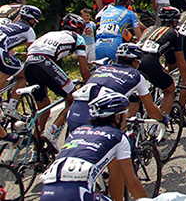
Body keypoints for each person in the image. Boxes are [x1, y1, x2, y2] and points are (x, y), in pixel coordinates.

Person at [39, 92, 149, 201]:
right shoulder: (118, 137)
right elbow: (131, 182)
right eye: (125, 115)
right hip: (77, 192)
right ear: (117, 117)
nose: (126, 119)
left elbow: (116, 170)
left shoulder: (78, 131)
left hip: (47, 191)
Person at [65, 43, 166, 135]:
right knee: (117, 146)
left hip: (75, 114)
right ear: (135, 63)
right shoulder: (137, 76)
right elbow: (151, 110)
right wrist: (162, 118)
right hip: (98, 117)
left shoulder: (101, 69)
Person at [26, 13, 91, 141]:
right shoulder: (77, 38)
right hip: (45, 63)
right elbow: (83, 70)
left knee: (43, 108)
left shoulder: (50, 33)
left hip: (28, 64)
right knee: (75, 100)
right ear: (79, 29)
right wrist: (90, 85)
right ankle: (51, 131)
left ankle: (36, 148)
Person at [137, 6, 186, 118]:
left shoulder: (149, 29)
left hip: (134, 60)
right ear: (174, 21)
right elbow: (181, 64)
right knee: (169, 90)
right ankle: (160, 125)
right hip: (150, 61)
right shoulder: (174, 33)